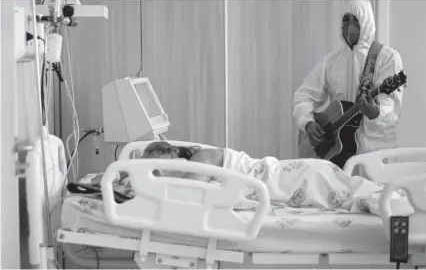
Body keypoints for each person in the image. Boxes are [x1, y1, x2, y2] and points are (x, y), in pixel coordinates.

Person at [141, 141, 412, 216]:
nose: (162, 174)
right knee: (342, 193)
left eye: (159, 166)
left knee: (343, 191)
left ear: (174, 151)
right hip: (286, 178)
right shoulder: (196, 164)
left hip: (285, 176)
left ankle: (396, 200)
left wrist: (145, 186)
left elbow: (187, 189)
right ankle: (394, 197)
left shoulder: (201, 160)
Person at [293, 0, 404, 156]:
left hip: (375, 154)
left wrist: (377, 113)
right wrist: (308, 123)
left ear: (367, 22)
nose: (349, 26)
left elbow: (391, 107)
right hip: (337, 153)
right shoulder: (331, 62)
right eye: (346, 19)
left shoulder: (387, 58)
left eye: (356, 20)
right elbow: (303, 96)